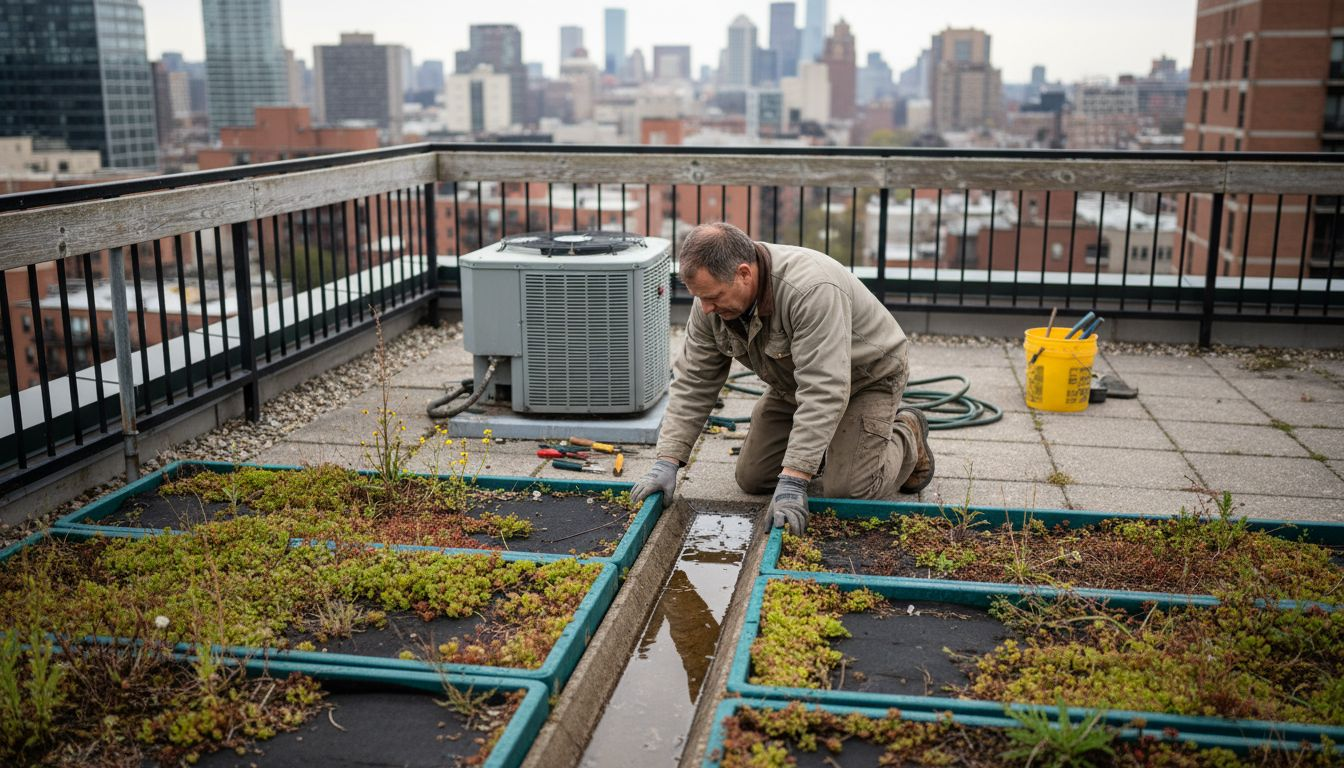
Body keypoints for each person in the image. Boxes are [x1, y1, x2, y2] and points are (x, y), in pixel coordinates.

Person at [630, 222, 934, 534]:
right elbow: (695, 381)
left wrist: (794, 479)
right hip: (793, 384)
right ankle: (834, 444)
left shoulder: (810, 290)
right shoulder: (711, 302)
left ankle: (907, 432)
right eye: (700, 297)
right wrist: (667, 461)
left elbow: (824, 389)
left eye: (714, 297)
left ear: (745, 274)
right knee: (753, 478)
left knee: (848, 490)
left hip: (868, 378)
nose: (706, 308)